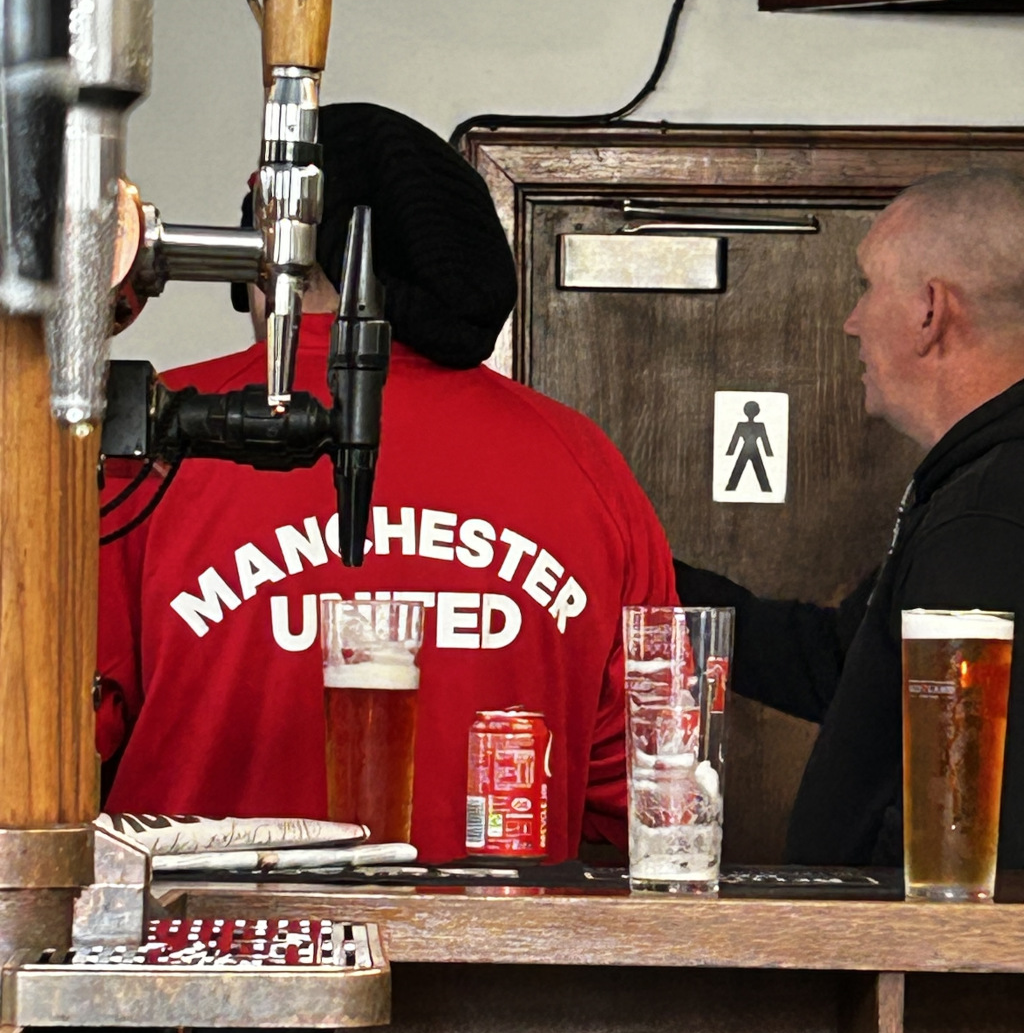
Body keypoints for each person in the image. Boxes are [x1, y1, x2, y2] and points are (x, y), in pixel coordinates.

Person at [97, 102, 676, 864]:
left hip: (197, 933)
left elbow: (47, 745)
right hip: (502, 937)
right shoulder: (589, 469)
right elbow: (649, 796)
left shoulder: (149, 435)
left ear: (272, 260)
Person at [676, 167, 1024, 869]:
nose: (852, 320)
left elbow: (962, 819)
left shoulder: (987, 516)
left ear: (930, 311)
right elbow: (838, 662)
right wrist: (634, 572)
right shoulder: (972, 485)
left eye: (867, 286)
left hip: (919, 942)